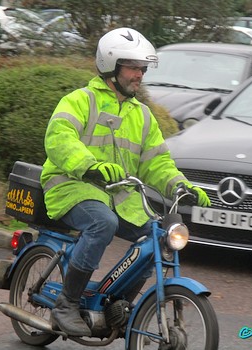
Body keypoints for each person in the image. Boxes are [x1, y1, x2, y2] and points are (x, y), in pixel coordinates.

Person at [40, 27, 210, 337]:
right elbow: (59, 138)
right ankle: (67, 303)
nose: (139, 75)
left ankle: (118, 305)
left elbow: (157, 162)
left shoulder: (142, 115)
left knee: (160, 238)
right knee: (101, 223)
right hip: (71, 185)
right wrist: (89, 165)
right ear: (110, 65)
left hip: (120, 196)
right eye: (133, 67)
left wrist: (178, 185)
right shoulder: (80, 100)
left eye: (142, 68)